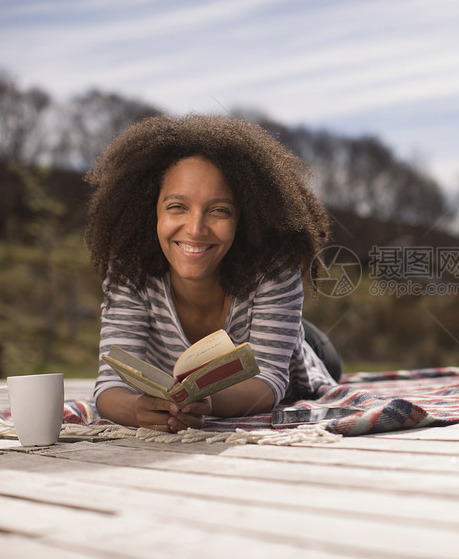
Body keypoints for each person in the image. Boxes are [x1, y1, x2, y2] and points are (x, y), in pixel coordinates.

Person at [85, 114, 341, 432]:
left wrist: (205, 403)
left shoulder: (275, 269)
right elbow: (109, 388)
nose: (195, 229)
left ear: (244, 219)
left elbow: (268, 381)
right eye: (177, 206)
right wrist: (138, 409)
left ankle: (304, 338)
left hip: (301, 359)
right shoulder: (130, 272)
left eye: (219, 210)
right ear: (149, 210)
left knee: (315, 352)